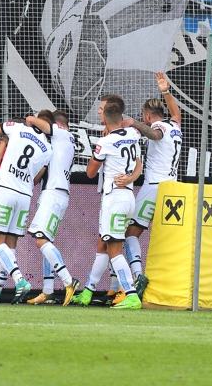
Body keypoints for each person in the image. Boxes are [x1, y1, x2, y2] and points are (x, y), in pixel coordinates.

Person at [0, 108, 52, 304]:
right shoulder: (48, 148)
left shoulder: (16, 128)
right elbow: (36, 178)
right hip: (25, 195)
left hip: (6, 190)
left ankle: (19, 280)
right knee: (10, 244)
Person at [71, 99, 142, 309]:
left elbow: (90, 172)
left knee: (114, 250)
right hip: (128, 195)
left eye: (101, 112)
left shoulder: (107, 142)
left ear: (104, 118)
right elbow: (139, 164)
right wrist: (130, 178)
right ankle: (88, 292)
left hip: (114, 198)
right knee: (103, 244)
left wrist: (97, 156)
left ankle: (131, 294)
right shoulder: (132, 134)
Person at [123, 72, 182, 298]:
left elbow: (155, 134)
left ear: (148, 116)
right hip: (172, 190)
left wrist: (134, 124)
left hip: (154, 187)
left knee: (129, 234)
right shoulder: (175, 124)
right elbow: (176, 112)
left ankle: (138, 276)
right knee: (167, 239)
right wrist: (165, 91)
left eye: (142, 117)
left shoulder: (161, 127)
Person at [21, 108, 79, 306]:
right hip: (58, 193)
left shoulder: (62, 134)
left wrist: (31, 121)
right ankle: (48, 290)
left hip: (53, 193)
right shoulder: (65, 142)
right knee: (45, 241)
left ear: (59, 126)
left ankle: (68, 281)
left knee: (41, 240)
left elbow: (31, 120)